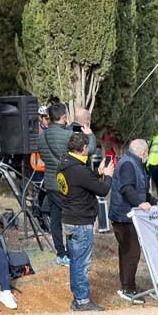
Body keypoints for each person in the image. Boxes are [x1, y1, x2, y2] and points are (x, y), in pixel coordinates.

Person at [59, 132, 115, 312]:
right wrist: (107, 175)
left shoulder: (65, 164)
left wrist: (95, 173)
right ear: (83, 149)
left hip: (69, 219)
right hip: (81, 222)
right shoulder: (78, 170)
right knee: (82, 263)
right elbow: (102, 190)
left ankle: (79, 298)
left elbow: (81, 181)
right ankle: (82, 300)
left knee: (76, 261)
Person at [36, 103, 95, 266]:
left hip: (50, 183)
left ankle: (61, 254)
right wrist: (90, 135)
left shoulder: (41, 136)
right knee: (73, 219)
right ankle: (75, 253)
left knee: (55, 220)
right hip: (66, 184)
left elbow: (42, 156)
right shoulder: (68, 135)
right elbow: (89, 150)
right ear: (63, 118)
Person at [109, 139, 158, 304]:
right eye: (147, 152)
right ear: (143, 152)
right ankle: (127, 288)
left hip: (129, 214)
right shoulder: (128, 164)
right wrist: (139, 203)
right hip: (124, 216)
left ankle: (129, 285)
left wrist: (156, 202)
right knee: (132, 252)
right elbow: (127, 188)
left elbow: (142, 192)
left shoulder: (136, 163)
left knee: (129, 251)